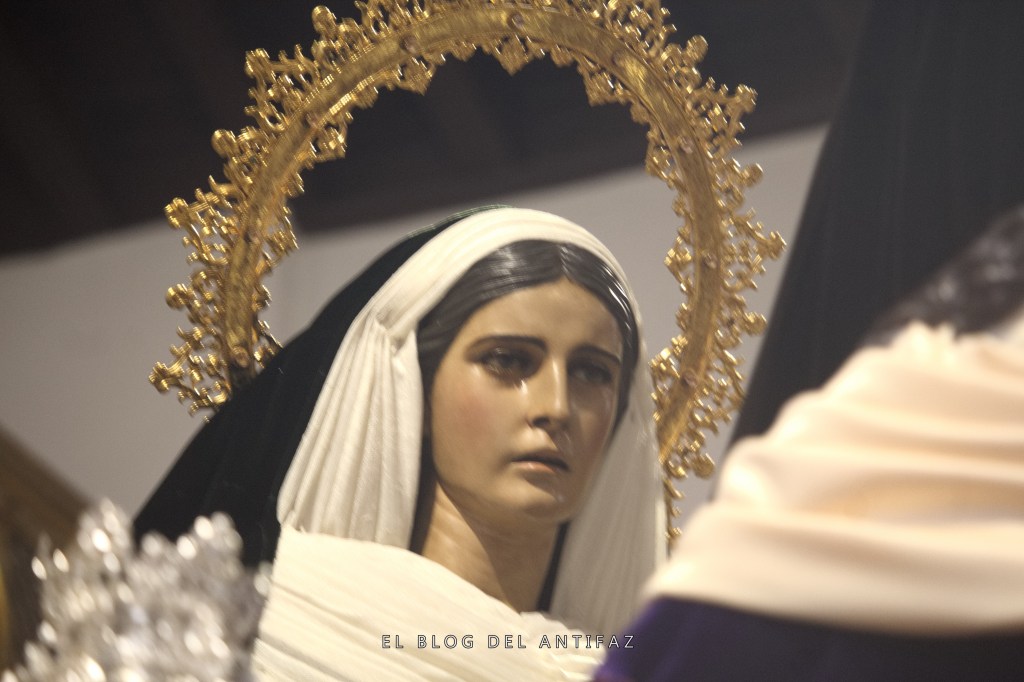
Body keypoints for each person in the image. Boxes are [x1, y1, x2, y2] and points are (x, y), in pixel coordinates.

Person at [135, 207, 664, 680]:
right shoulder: (265, 623)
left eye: (592, 372)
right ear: (416, 386)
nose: (556, 407)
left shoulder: (621, 667)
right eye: (507, 360)